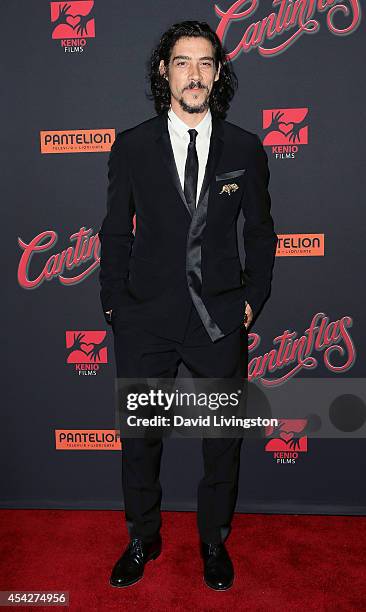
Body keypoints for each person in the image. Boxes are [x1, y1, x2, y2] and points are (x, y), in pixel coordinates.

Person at [98, 20, 278, 591]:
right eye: (183, 62)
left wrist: (252, 300)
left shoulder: (246, 148)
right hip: (145, 320)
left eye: (205, 62)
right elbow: (114, 233)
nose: (195, 74)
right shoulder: (130, 146)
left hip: (219, 321)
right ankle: (142, 537)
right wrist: (113, 305)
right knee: (140, 440)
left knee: (221, 443)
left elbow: (261, 234)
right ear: (163, 71)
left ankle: (212, 540)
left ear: (219, 72)